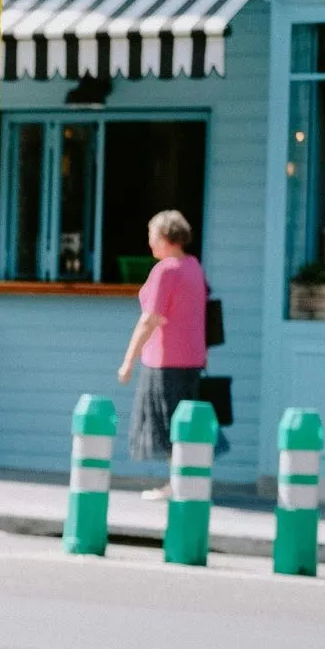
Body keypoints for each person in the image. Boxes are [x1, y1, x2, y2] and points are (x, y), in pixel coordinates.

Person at [118, 209, 227, 497]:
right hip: (191, 359)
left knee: (167, 425)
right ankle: (187, 482)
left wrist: (128, 360)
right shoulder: (193, 266)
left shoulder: (166, 270)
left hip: (165, 360)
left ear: (166, 237)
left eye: (153, 235)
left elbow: (149, 319)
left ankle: (177, 486)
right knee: (186, 422)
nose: (150, 242)